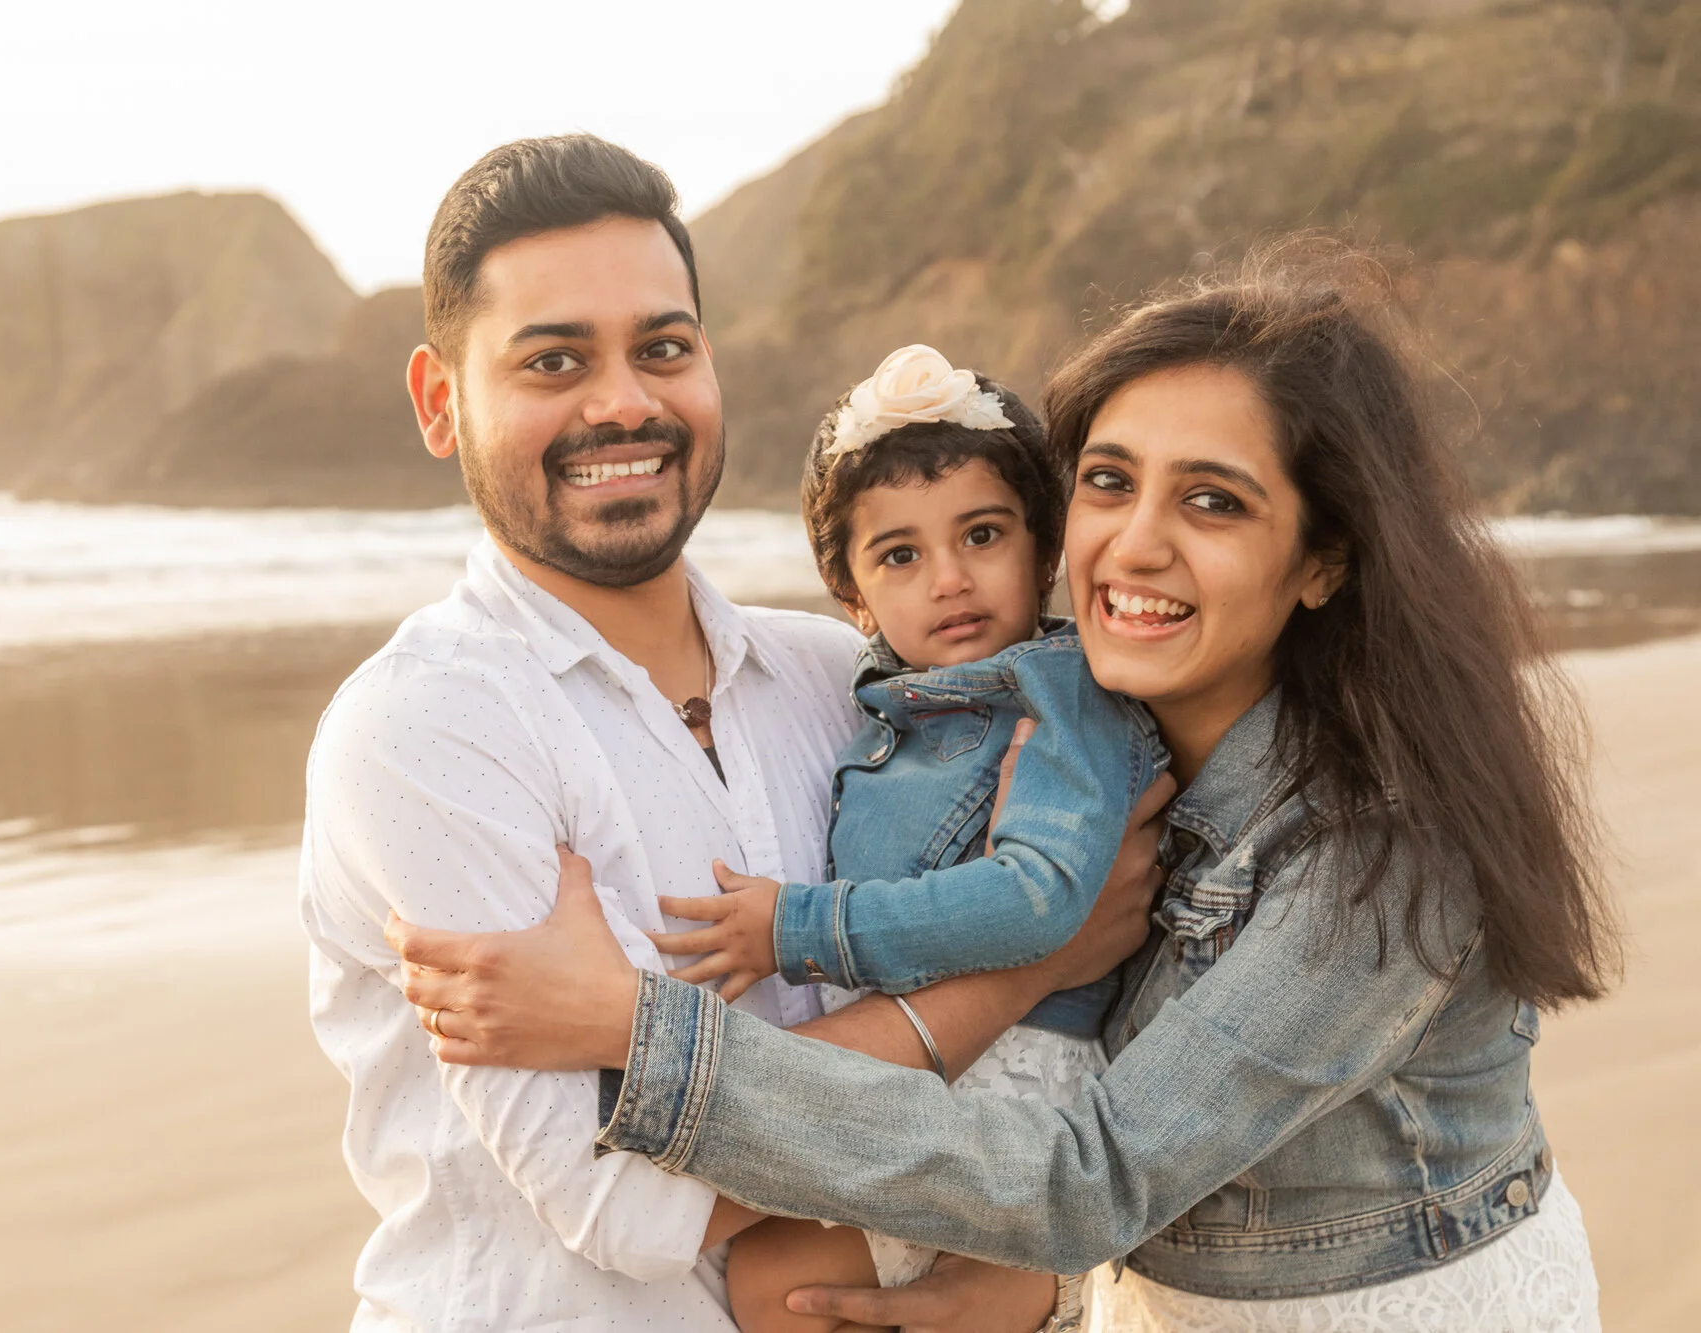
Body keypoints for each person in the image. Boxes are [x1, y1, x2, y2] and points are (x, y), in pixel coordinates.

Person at [387, 246, 1620, 1331]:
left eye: (1211, 500)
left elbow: (1091, 1170)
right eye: (1105, 480)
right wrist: (1051, 1283)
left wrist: (643, 1034)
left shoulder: (1373, 854)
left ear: (1321, 559)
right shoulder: (1069, 741)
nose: (1133, 542)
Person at [300, 133, 1160, 1333]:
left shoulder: (846, 679)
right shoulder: (426, 729)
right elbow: (624, 1206)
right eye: (552, 360)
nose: (623, 402)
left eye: (663, 347)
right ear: (442, 401)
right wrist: (1024, 970)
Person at [641, 343, 1169, 1333]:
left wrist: (796, 929)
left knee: (779, 1282)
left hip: (1017, 1080)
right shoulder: (887, 710)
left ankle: (1026, 1286)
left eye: (981, 534)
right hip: (934, 1072)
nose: (949, 579)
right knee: (777, 1282)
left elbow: (1038, 898)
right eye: (900, 555)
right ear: (850, 593)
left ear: (1043, 548)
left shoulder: (1058, 698)